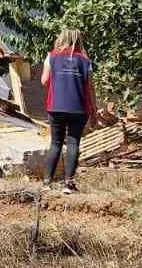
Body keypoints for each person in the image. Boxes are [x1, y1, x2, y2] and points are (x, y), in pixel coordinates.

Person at [40, 28, 96, 194]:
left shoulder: (52, 56)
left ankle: (47, 183)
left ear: (62, 38)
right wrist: (94, 111)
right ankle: (68, 184)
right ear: (79, 40)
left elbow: (44, 81)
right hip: (79, 108)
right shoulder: (85, 61)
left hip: (56, 107)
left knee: (56, 143)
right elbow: (90, 88)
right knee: (73, 143)